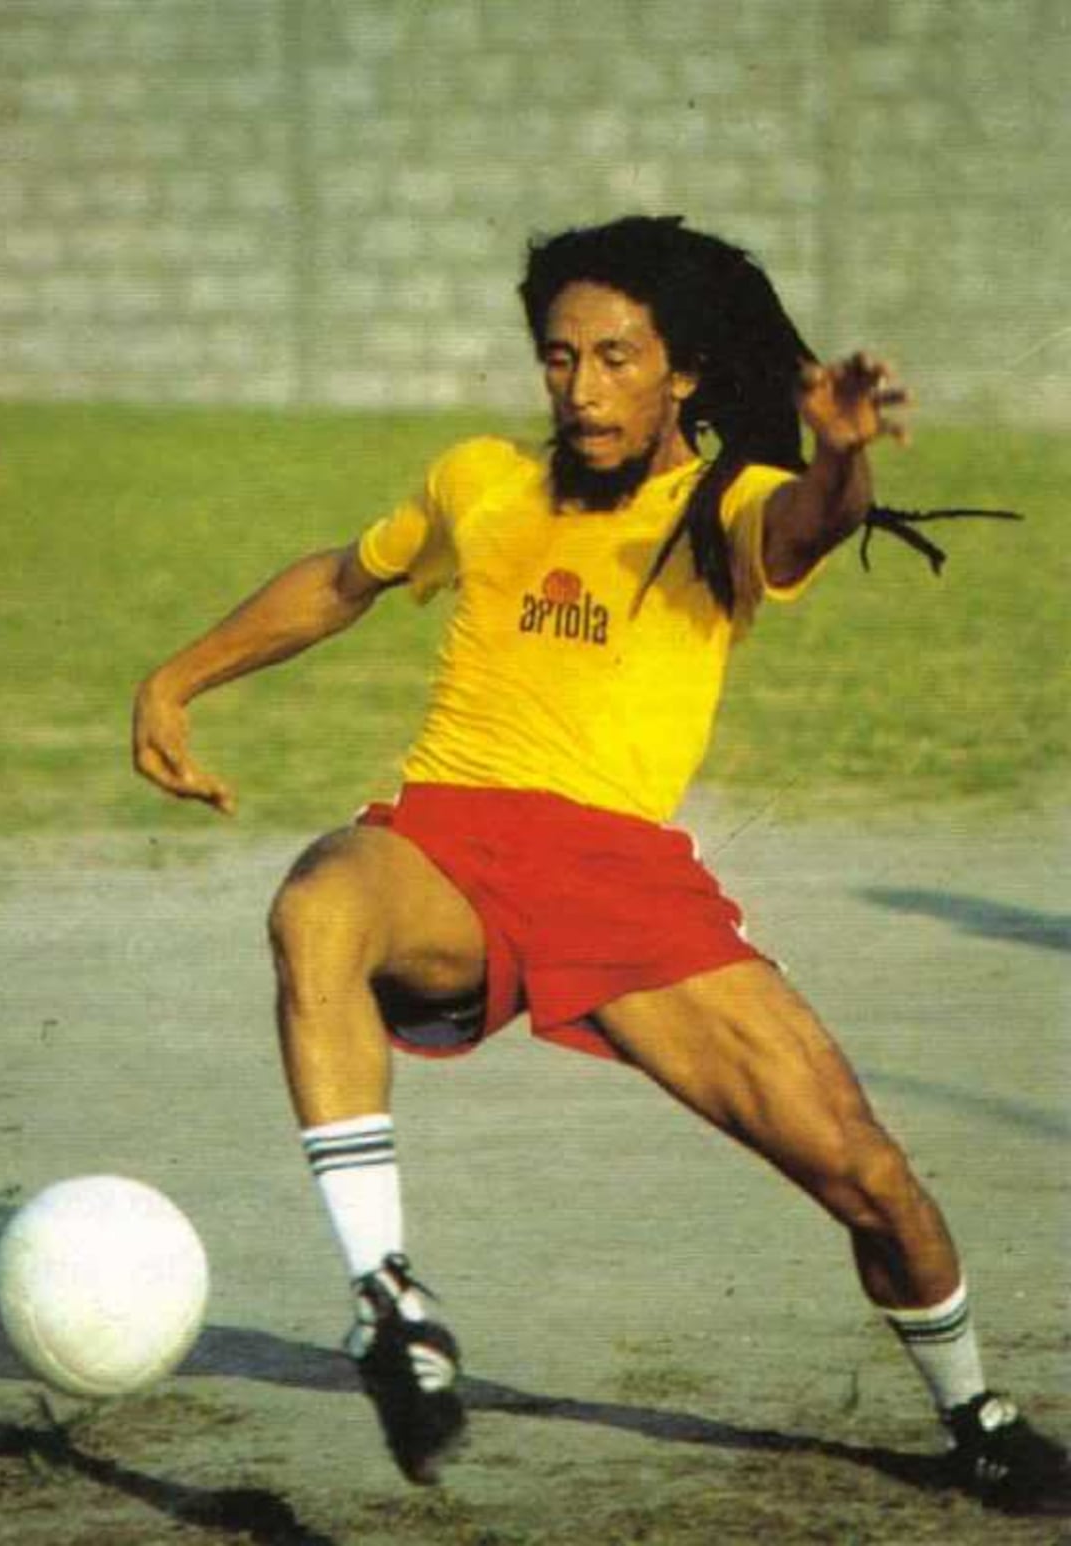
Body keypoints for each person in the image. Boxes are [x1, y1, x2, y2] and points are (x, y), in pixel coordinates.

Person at [133, 215, 1066, 1508]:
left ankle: (979, 1408)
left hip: (629, 887)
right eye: (560, 358)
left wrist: (842, 455)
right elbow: (342, 581)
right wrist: (175, 679)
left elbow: (803, 523)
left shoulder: (719, 504)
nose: (582, 388)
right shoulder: (480, 480)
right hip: (450, 846)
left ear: (679, 370)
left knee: (870, 1176)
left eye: (616, 357)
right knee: (317, 904)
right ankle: (391, 1303)